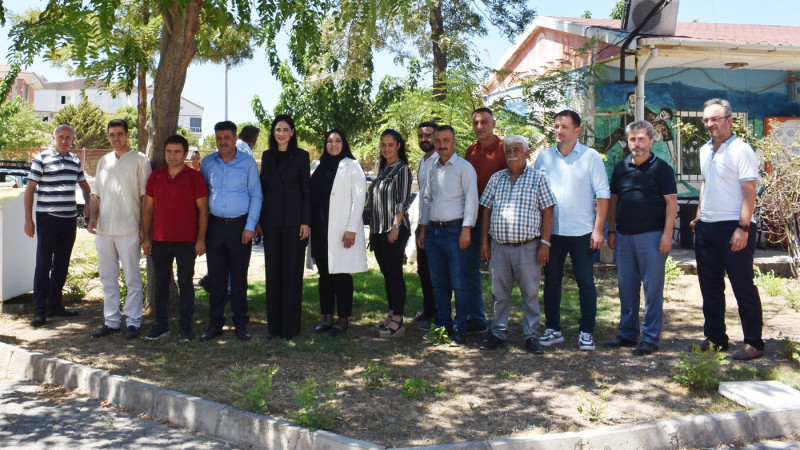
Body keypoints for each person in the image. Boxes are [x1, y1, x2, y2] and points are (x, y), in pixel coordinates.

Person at [689, 98, 764, 361]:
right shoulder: (703, 150)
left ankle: (754, 342)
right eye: (706, 120)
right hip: (707, 228)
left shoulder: (741, 150)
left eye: (715, 119)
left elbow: (749, 191)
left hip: (734, 226)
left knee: (742, 286)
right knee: (709, 287)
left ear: (729, 121)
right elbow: (706, 184)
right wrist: (700, 215)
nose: (709, 124)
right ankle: (716, 339)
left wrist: (743, 227)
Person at [533, 110, 610, 351]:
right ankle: (553, 329)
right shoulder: (544, 158)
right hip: (553, 233)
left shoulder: (591, 157)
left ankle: (586, 331)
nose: (559, 131)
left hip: (582, 233)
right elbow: (536, 195)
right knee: (552, 282)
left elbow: (603, 195)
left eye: (564, 127)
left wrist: (598, 230)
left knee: (586, 282)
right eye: (556, 126)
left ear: (577, 130)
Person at [605, 121, 677, 356]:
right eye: (633, 139)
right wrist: (612, 230)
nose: (637, 143)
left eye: (641, 139)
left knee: (652, 289)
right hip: (624, 236)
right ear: (627, 142)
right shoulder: (620, 168)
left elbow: (671, 203)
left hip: (653, 237)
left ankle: (650, 338)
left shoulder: (661, 168)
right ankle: (627, 334)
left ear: (651, 141)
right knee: (626, 287)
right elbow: (614, 200)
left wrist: (667, 235)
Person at [479, 136, 555, 354]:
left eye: (516, 150)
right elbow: (486, 210)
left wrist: (545, 244)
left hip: (528, 247)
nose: (512, 154)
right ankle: (498, 331)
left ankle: (531, 335)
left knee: (530, 294)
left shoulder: (538, 178)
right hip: (499, 247)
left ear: (527, 153)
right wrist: (484, 242)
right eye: (508, 150)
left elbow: (548, 211)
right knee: (499, 294)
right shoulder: (496, 179)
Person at [141, 134, 209, 342]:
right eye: (169, 151)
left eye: (177, 152)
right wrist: (146, 238)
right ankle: (161, 326)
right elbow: (148, 209)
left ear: (185, 154)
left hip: (186, 240)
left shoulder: (195, 177)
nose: (172, 156)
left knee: (187, 284)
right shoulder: (156, 176)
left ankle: (185, 327)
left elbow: (203, 211)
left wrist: (200, 239)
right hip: (160, 240)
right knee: (160, 284)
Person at [88, 119, 152, 339]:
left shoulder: (140, 160)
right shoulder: (104, 161)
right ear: (108, 136)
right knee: (107, 278)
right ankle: (112, 320)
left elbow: (146, 198)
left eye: (119, 134)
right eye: (112, 135)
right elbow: (96, 194)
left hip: (130, 229)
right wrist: (92, 219)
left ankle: (134, 321)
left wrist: (144, 229)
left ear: (127, 134)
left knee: (132, 278)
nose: (116, 138)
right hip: (104, 230)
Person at [24, 125, 91, 327]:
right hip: (47, 218)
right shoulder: (42, 159)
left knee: (61, 265)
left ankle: (55, 305)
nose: (64, 141)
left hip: (68, 220)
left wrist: (88, 204)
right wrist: (28, 219)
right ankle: (39, 311)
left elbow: (85, 187)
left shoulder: (74, 161)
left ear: (72, 140)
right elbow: (29, 190)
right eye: (60, 137)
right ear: (54, 137)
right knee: (43, 265)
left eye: (68, 138)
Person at [200, 120, 262, 341]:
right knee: (216, 279)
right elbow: (202, 196)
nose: (222, 142)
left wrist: (249, 226)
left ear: (236, 138)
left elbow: (256, 195)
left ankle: (241, 325)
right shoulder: (208, 163)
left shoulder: (247, 163)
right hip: (215, 227)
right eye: (218, 138)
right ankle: (215, 324)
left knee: (238, 278)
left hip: (240, 228)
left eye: (227, 137)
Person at [417, 125, 479, 345]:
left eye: (446, 140)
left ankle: (460, 327)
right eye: (438, 141)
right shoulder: (432, 168)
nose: (441, 145)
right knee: (439, 282)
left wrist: (466, 229)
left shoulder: (464, 168)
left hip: (455, 232)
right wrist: (423, 229)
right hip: (434, 231)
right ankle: (443, 326)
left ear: (453, 142)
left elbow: (472, 200)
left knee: (459, 282)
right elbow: (426, 200)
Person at [308, 129, 367, 337]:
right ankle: (326, 317)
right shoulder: (316, 166)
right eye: (330, 141)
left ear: (344, 143)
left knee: (341, 275)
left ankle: (342, 319)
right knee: (324, 275)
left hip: (342, 230)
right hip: (320, 229)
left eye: (338, 141)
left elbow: (359, 198)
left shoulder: (352, 166)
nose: (333, 145)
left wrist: (351, 229)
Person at [259, 115, 311, 339]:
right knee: (273, 274)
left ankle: (290, 327)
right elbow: (262, 191)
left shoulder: (302, 156)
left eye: (285, 129)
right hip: (271, 224)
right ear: (273, 133)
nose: (281, 133)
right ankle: (274, 326)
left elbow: (306, 192)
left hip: (294, 224)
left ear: (292, 132)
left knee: (292, 274)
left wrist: (305, 221)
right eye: (277, 129)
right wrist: (259, 222)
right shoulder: (267, 156)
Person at [462, 107, 506, 336]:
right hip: (473, 221)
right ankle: (477, 319)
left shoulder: (505, 150)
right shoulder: (469, 151)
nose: (479, 127)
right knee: (470, 272)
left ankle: (500, 323)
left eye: (484, 122)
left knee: (499, 275)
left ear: (493, 123)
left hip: (499, 222)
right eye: (475, 123)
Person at [368, 129, 412, 337]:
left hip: (394, 229)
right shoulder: (383, 168)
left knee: (395, 274)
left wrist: (395, 226)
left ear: (398, 146)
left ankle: (398, 319)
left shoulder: (401, 169)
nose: (386, 148)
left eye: (390, 145)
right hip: (378, 230)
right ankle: (391, 313)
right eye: (383, 145)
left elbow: (403, 200)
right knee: (387, 275)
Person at [406, 121, 439, 330]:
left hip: (438, 224)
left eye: (428, 135)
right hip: (422, 222)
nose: (423, 139)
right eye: (420, 136)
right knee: (423, 269)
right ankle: (428, 311)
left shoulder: (440, 161)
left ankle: (437, 315)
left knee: (436, 272)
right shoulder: (422, 160)